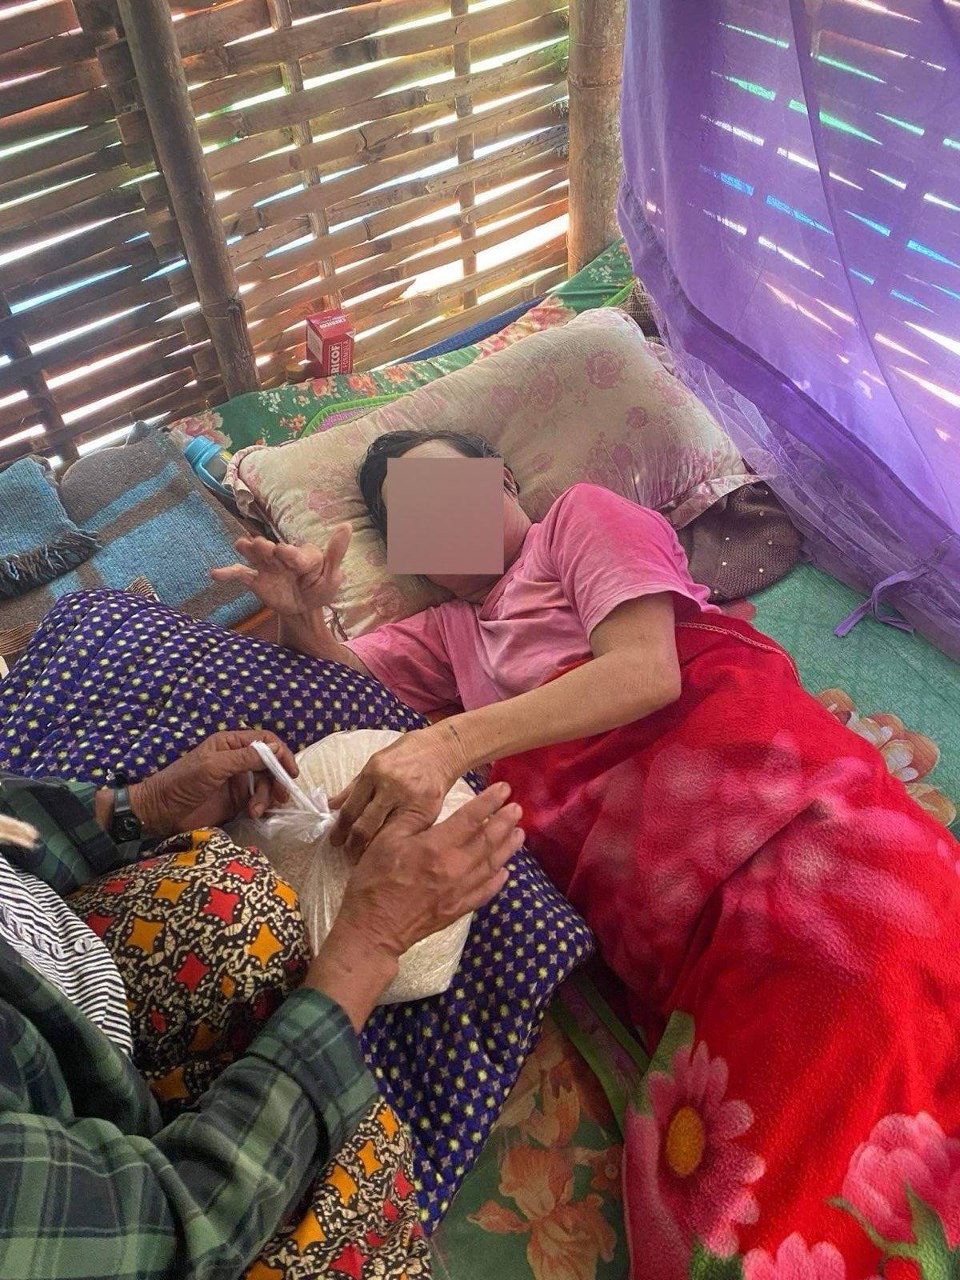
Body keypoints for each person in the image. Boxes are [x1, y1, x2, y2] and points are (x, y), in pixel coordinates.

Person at [215, 428, 960, 1279]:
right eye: (413, 521)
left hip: (757, 779)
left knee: (873, 952)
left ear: (503, 482)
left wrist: (450, 742)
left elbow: (648, 672)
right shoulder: (449, 633)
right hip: (656, 879)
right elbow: (344, 677)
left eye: (446, 489)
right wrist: (301, 614)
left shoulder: (579, 521)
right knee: (750, 1094)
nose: (439, 522)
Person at [0, 725, 523, 1280]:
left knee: (237, 907)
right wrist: (367, 948)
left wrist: (135, 808)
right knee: (354, 1169)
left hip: (51, 993)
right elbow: (168, 1227)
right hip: (101, 1209)